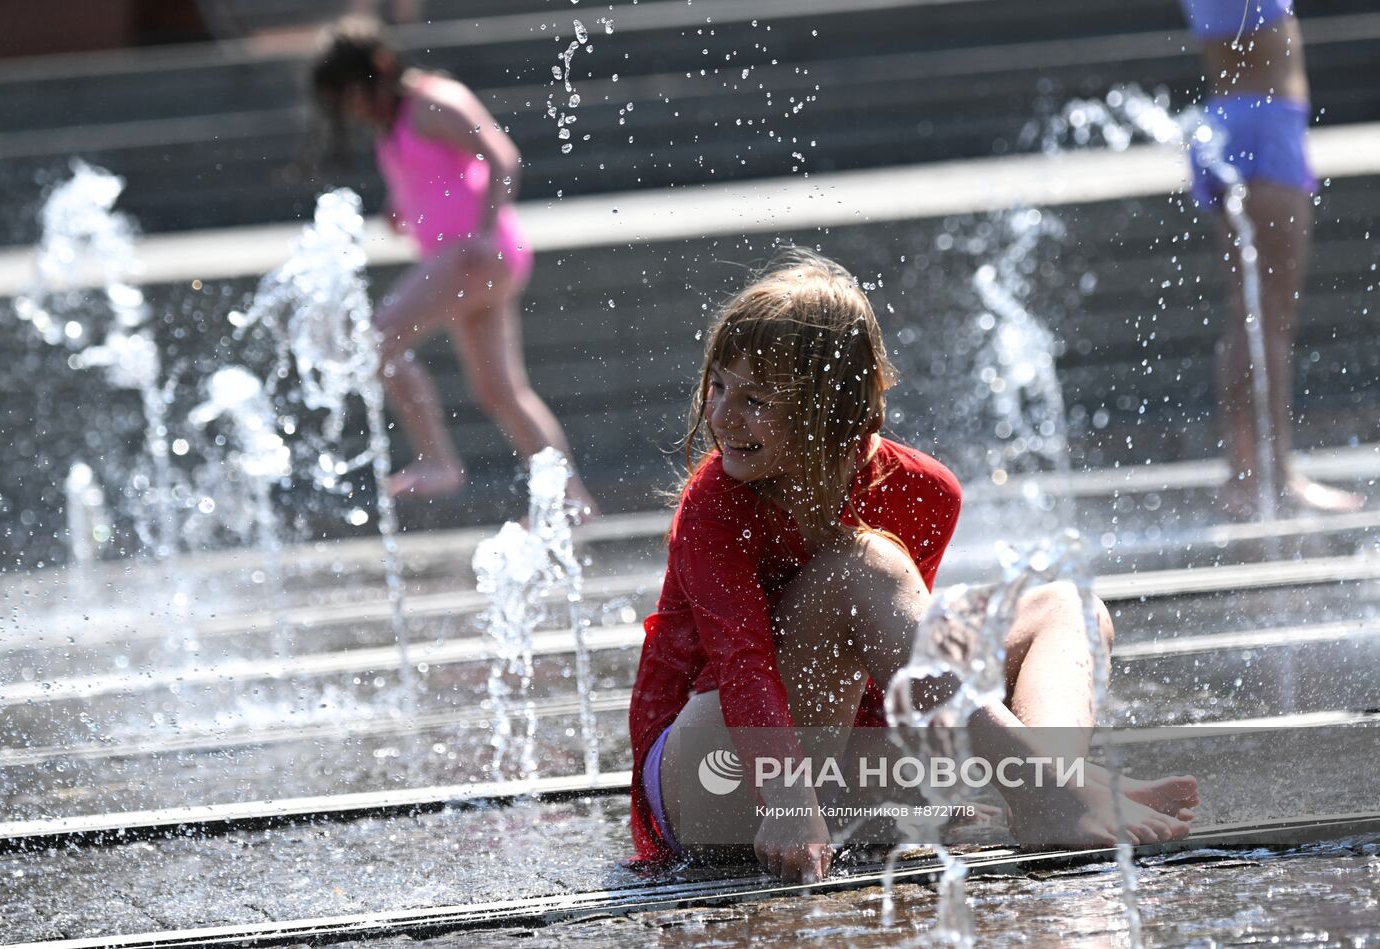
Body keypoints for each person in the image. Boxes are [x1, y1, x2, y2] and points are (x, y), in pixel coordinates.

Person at [628, 250, 1199, 882]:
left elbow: (892, 674)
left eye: (755, 398)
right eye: (718, 387)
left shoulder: (926, 491)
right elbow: (743, 668)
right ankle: (1054, 793)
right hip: (711, 781)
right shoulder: (712, 508)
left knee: (1065, 606)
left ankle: (1055, 785)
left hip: (834, 767)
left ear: (832, 409)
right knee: (859, 565)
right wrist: (786, 798)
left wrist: (916, 788)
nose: (722, 416)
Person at [310, 17, 597, 512]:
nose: (352, 107)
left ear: (379, 66)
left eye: (352, 92)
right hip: (463, 260)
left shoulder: (433, 101)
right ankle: (572, 502)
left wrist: (485, 231)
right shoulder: (393, 122)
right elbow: (432, 175)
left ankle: (437, 459)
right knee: (500, 391)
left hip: (474, 256)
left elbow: (501, 157)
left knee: (378, 340)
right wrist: (401, 204)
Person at [1181, 0, 1364, 519]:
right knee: (1270, 316)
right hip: (1266, 125)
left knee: (1251, 312)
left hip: (1235, 119)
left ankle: (1246, 473)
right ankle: (1269, 477)